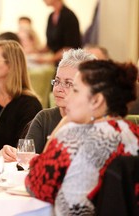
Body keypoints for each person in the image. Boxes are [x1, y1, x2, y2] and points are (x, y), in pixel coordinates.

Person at [25, 60, 139, 215]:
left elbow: (37, 185)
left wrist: (63, 124)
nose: (69, 96)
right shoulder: (135, 133)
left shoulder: (73, 135)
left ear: (96, 100)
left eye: (75, 90)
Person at [1, 48, 96, 162]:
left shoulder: (96, 123)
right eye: (57, 81)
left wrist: (37, 159)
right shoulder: (45, 118)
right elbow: (24, 160)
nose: (58, 89)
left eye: (68, 83)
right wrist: (11, 154)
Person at [35, 0, 81, 65]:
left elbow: (70, 48)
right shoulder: (51, 16)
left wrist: (48, 59)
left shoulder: (69, 16)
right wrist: (35, 51)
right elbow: (50, 45)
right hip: (57, 64)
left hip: (70, 65)